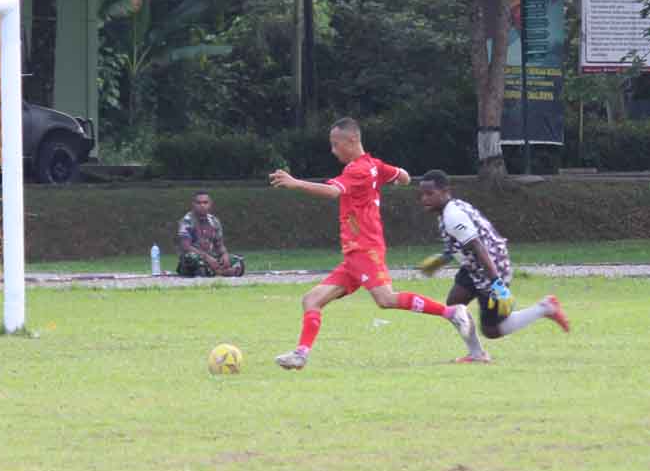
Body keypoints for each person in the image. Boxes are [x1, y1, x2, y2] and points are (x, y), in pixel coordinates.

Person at [268, 117, 476, 370]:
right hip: (354, 254)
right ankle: (300, 355)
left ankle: (451, 313)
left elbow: (333, 192)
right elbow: (404, 176)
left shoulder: (357, 170)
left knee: (386, 299)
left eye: (336, 144)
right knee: (312, 300)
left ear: (352, 139)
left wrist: (296, 183)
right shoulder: (374, 165)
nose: (333, 150)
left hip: (365, 249)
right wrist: (397, 179)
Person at [417, 169, 569, 362]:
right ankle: (477, 354)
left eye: (430, 193)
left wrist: (497, 284)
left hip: (490, 265)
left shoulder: (452, 215)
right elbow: (463, 243)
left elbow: (478, 246)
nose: (424, 199)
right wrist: (443, 258)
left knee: (492, 330)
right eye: (422, 194)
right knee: (455, 303)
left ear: (445, 191)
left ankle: (545, 308)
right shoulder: (449, 210)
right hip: (475, 265)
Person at [175, 191, 245, 277]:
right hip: (195, 257)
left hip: (211, 257)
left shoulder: (214, 221)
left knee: (237, 260)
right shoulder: (187, 221)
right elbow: (186, 247)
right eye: (199, 203)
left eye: (205, 202)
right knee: (195, 261)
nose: (202, 205)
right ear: (193, 204)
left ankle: (216, 271)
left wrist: (224, 254)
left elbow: (219, 244)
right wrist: (207, 257)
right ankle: (222, 273)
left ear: (210, 204)